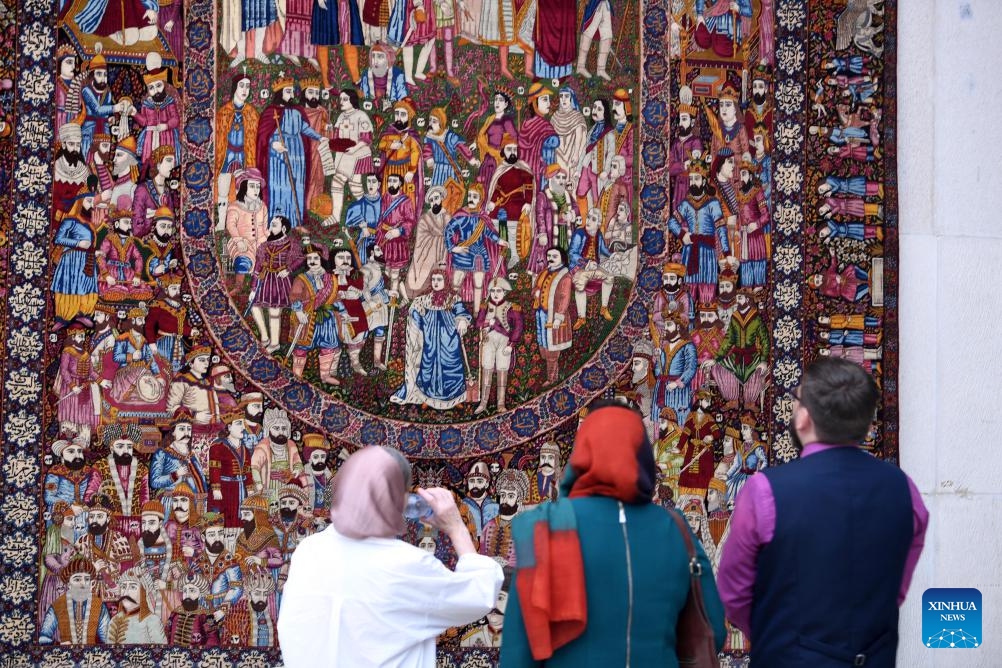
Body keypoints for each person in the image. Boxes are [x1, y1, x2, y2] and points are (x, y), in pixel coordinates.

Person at [718, 357, 929, 667]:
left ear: (804, 417)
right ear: (868, 424)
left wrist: (779, 634)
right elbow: (894, 591)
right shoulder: (904, 490)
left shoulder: (765, 492)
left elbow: (734, 592)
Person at [499, 402, 725, 666]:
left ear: (581, 455)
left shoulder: (544, 527)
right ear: (643, 456)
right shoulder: (676, 530)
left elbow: (518, 651)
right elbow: (714, 632)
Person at [278, 446, 503, 668]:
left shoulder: (308, 551)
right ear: (398, 500)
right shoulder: (406, 564)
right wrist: (456, 527)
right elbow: (479, 592)